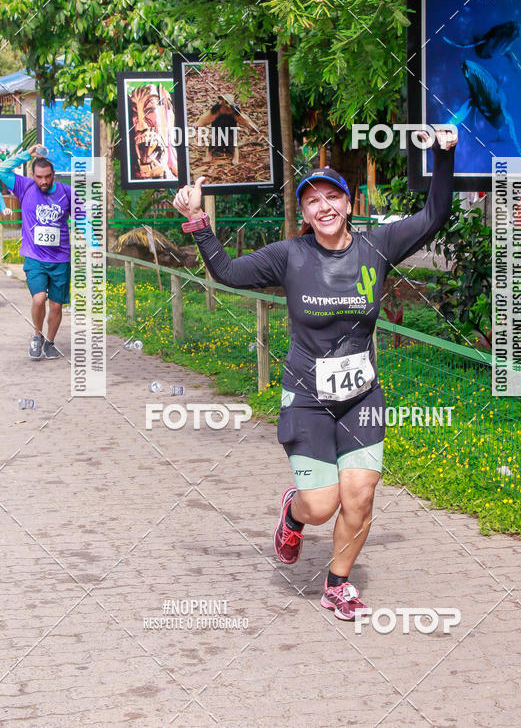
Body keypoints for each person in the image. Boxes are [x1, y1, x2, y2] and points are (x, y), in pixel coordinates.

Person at [173, 129, 457, 620]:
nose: (323, 207)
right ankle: (293, 512)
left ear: (347, 205)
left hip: (361, 396)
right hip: (306, 397)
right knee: (322, 506)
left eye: (332, 197)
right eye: (312, 201)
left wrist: (443, 156)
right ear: (304, 215)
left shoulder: (378, 246)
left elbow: (434, 216)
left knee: (360, 495)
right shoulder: (291, 256)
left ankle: (337, 583)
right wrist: (199, 221)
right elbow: (229, 273)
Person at [0, 144, 74, 359]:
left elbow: (82, 216)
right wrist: (27, 154)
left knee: (57, 306)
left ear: (54, 175)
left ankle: (50, 342)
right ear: (33, 175)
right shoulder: (24, 186)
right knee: (39, 299)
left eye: (48, 177)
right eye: (39, 177)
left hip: (61, 259)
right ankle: (37, 335)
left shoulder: (66, 192)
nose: (44, 181)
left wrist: (91, 241)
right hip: (35, 257)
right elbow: (2, 170)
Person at [195, 93, 255, 166]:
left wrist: (250, 125)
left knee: (232, 143)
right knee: (214, 141)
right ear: (222, 100)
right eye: (227, 103)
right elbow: (208, 117)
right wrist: (199, 123)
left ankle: (235, 157)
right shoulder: (217, 109)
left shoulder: (234, 110)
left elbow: (242, 118)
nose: (229, 105)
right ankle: (208, 155)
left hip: (231, 128)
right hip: (218, 127)